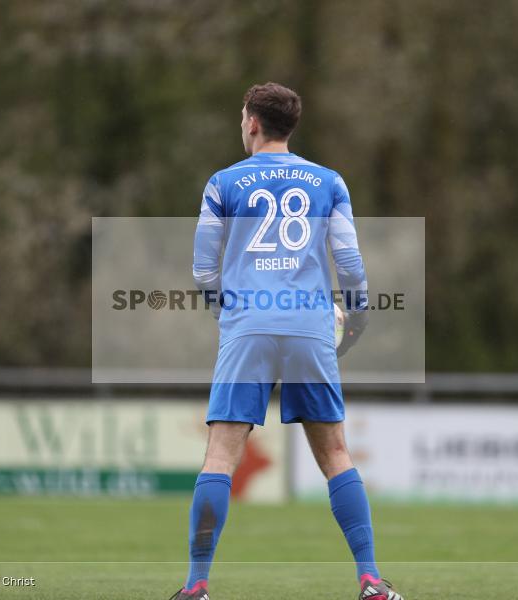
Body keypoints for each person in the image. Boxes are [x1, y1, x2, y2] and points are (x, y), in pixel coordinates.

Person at [170, 83, 404, 600]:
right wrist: (358, 316)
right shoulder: (328, 181)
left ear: (253, 122)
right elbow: (350, 262)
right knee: (337, 454)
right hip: (309, 326)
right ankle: (369, 581)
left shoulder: (223, 183)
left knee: (219, 458)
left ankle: (196, 586)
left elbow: (203, 267)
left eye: (241, 117)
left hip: (248, 325)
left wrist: (223, 311)